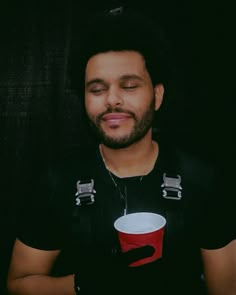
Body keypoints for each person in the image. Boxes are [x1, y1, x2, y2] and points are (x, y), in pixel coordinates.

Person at [6, 8, 236, 295]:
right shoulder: (56, 185)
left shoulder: (202, 182)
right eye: (97, 89)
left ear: (158, 95)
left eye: (129, 86)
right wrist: (83, 283)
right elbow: (18, 284)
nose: (112, 100)